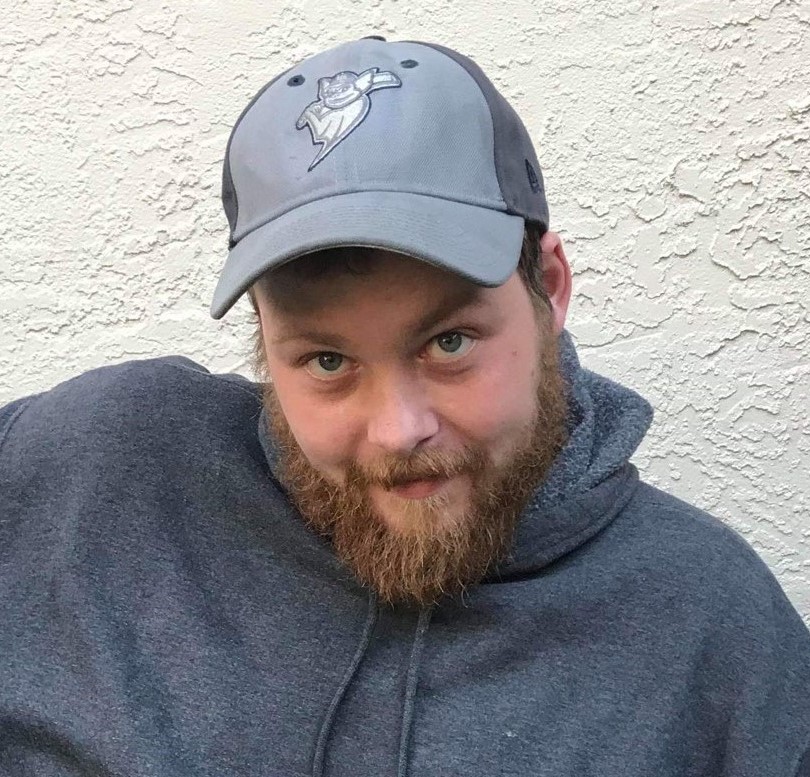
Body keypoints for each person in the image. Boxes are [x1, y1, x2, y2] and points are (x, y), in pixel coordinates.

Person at [0, 36, 808, 777]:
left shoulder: (710, 630)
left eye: (449, 343)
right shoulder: (105, 471)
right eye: (327, 361)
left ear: (551, 289)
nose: (398, 430)